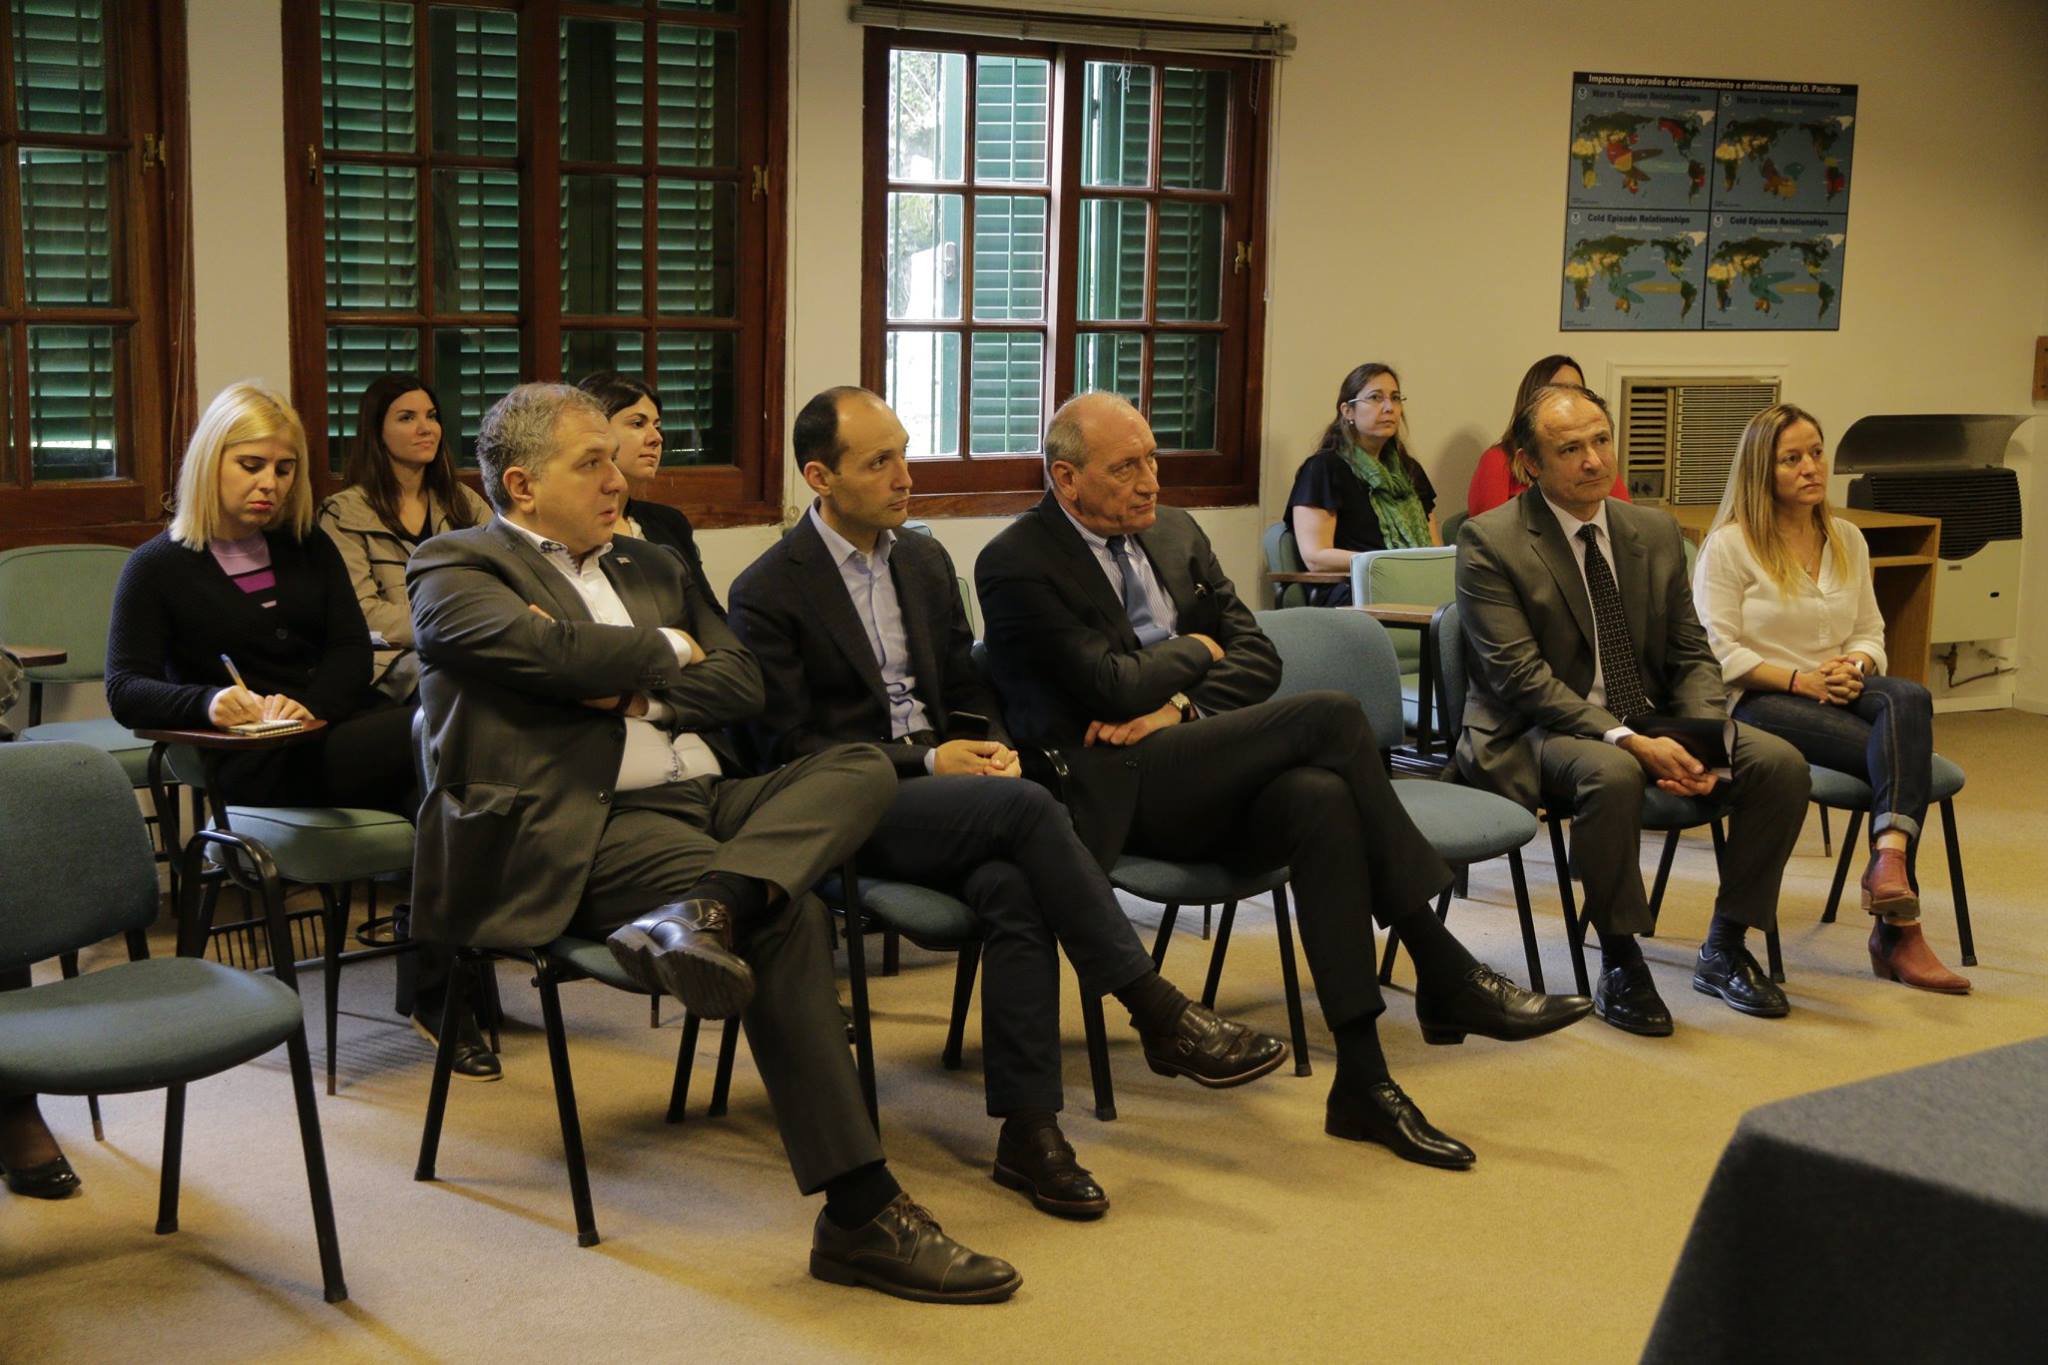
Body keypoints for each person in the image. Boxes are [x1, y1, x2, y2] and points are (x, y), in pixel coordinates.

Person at [406, 382, 1018, 1302]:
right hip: (584, 824)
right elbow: (542, 656)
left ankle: (711, 905)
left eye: (613, 460)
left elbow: (743, 682)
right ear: (522, 485)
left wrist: (625, 685)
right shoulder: (454, 564)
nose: (617, 479)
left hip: (710, 797)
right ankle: (860, 1213)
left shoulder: (648, 561)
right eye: (591, 463)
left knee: (862, 766)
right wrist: (667, 652)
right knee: (790, 916)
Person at [976, 390, 1589, 1171]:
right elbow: (1109, 686)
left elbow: (1258, 657)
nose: (1150, 480)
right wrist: (1199, 650)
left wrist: (1180, 704)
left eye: (1153, 459)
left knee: (1319, 798)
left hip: (1195, 755)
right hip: (1112, 788)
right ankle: (1441, 964)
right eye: (1125, 467)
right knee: (1332, 716)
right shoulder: (1016, 560)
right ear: (1066, 478)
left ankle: (1364, 1081)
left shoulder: (1174, 531)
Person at [730, 386, 1286, 1218]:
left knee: (1015, 886)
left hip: (957, 794)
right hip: (850, 805)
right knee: (1029, 810)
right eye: (879, 462)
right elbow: (786, 752)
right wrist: (927, 759)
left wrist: (989, 745)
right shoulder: (769, 588)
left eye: (904, 453)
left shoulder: (922, 562)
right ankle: (1156, 1010)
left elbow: (968, 683)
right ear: (820, 476)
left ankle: (1030, 1133)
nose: (905, 476)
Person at [103, 382, 494, 1079]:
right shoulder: (156, 566)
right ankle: (446, 985)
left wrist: (307, 706)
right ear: (211, 462)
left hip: (330, 737)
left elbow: (350, 654)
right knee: (440, 732)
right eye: (251, 465)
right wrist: (208, 701)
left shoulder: (306, 545)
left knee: (436, 788)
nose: (271, 484)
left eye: (284, 469)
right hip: (251, 763)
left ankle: (442, 990)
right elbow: (126, 689)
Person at [1453, 384, 1811, 1036]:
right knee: (1612, 771)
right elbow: (1518, 678)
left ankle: (1726, 944)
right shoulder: (1492, 539)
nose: (1594, 459)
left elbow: (1690, 652)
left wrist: (1701, 742)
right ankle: (1620, 958)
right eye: (1570, 449)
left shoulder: (1652, 529)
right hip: (1536, 726)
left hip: (1645, 715)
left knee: (1780, 763)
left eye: (1601, 440)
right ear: (1530, 464)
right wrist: (1627, 739)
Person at [1693, 404, 1967, 992]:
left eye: (1816, 453)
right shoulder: (1730, 546)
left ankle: (1888, 859)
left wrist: (1855, 666)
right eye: (1791, 459)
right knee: (1901, 755)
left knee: (1909, 696)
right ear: (1761, 471)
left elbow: (1870, 631)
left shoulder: (1846, 538)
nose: (1810, 468)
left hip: (1840, 687)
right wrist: (1802, 680)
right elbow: (1717, 653)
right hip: (1760, 698)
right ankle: (1899, 930)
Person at [317, 372, 489, 702]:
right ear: (377, 432)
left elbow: (503, 577)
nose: (426, 428)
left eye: (431, 416)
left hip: (468, 647)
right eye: (407, 418)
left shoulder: (463, 501)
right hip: (392, 663)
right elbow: (361, 611)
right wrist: (452, 626)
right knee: (463, 687)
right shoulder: (342, 513)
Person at [1281, 363, 1438, 606]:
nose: (1389, 407)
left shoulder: (1409, 471)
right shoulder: (1323, 469)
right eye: (1376, 398)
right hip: (1353, 590)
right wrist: (1387, 565)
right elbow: (1315, 557)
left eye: (1395, 398)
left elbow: (1435, 550)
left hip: (1413, 583)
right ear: (1348, 411)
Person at [575, 371, 723, 617]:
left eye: (657, 426)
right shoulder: (568, 529)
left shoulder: (669, 522)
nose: (656, 438)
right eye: (637, 424)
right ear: (597, 432)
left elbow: (709, 614)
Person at [1466, 355, 1630, 516]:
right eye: (1570, 450)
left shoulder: (1598, 465)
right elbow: (1492, 528)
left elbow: (1625, 521)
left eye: (1577, 390)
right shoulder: (1497, 460)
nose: (1568, 400)